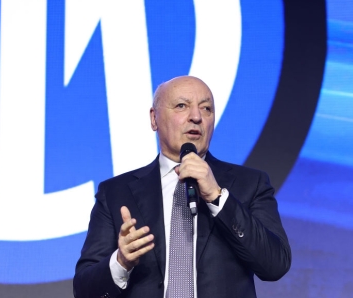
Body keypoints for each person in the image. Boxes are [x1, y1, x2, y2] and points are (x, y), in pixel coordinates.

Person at [73, 76, 291, 298]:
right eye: (181, 106)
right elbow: (84, 290)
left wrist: (218, 198)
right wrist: (121, 262)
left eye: (206, 108)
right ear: (154, 118)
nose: (196, 117)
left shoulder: (250, 184)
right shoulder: (115, 192)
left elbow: (275, 265)